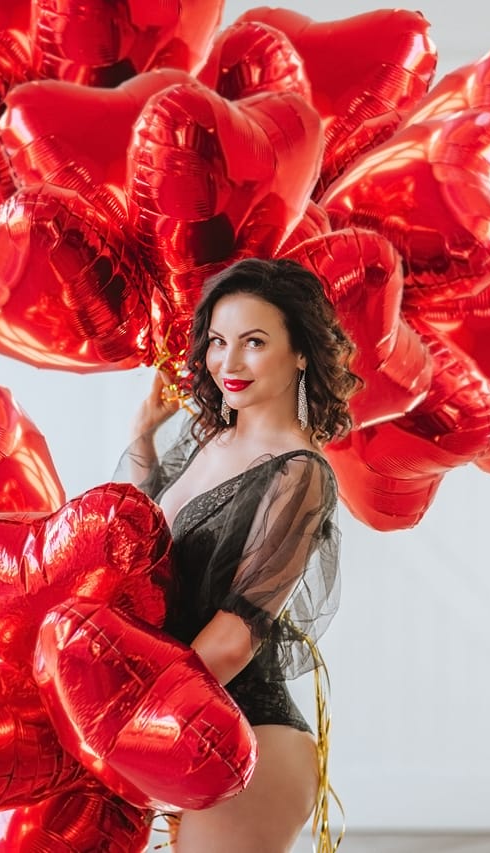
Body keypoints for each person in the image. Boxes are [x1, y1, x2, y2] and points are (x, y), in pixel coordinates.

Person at [121, 257, 362, 852]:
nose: (227, 362)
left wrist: (125, 720)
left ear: (300, 352)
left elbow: (233, 639)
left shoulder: (298, 474)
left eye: (253, 342)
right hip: (173, 721)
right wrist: (142, 436)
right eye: (217, 341)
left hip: (246, 742)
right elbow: (140, 534)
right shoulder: (209, 437)